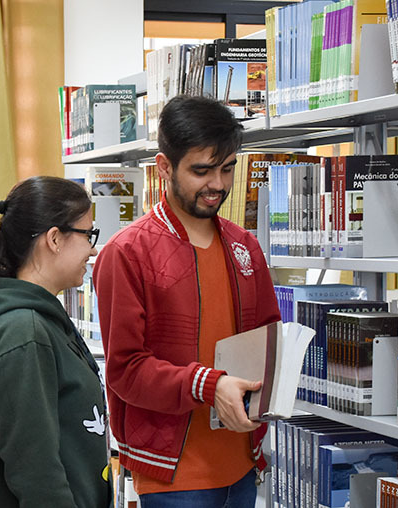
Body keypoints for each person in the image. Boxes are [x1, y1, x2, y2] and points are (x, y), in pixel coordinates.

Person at [93, 95, 281, 508]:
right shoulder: (126, 253)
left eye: (227, 168)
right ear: (164, 167)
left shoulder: (245, 247)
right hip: (173, 477)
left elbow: (268, 341)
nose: (218, 184)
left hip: (243, 464)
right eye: (201, 170)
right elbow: (125, 370)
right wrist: (210, 386)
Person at [0, 176, 112, 508]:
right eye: (88, 235)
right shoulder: (25, 333)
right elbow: (35, 473)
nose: (92, 249)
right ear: (54, 239)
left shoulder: (40, 321)